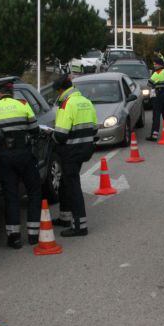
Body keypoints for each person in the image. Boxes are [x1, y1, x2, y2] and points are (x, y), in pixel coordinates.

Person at [0, 82, 41, 249]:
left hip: (4, 157)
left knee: (11, 196)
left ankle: (14, 238)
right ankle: (33, 235)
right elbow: (35, 129)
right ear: (11, 93)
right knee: (34, 192)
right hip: (24, 155)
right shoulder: (23, 105)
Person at [51, 75, 98, 237]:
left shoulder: (66, 104)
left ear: (60, 90)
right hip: (85, 149)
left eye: (57, 91)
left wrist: (51, 135)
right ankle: (65, 217)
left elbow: (61, 135)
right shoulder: (86, 101)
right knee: (65, 182)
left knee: (72, 186)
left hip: (70, 151)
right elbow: (94, 129)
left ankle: (80, 226)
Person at [146, 58, 164, 141]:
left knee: (156, 116)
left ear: (160, 64)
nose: (154, 65)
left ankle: (154, 135)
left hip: (158, 97)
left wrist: (155, 82)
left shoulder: (157, 73)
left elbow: (149, 83)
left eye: (155, 64)